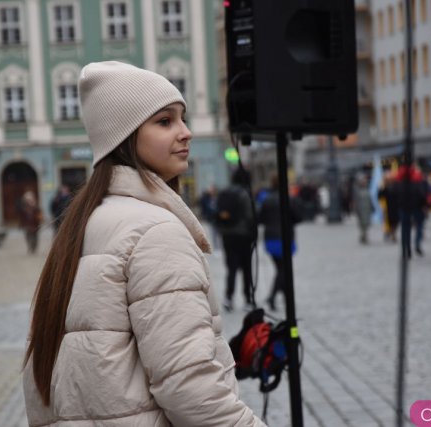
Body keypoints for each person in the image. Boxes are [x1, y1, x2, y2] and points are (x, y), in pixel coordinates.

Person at [22, 61, 265, 426]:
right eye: (165, 121)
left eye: (183, 118)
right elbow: (190, 388)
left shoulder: (85, 224)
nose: (186, 133)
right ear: (125, 136)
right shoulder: (155, 232)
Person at [258, 172, 303, 311]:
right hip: (285, 237)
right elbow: (299, 217)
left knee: (280, 269)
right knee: (283, 270)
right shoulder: (290, 198)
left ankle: (285, 295)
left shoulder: (266, 199)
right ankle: (272, 296)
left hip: (271, 238)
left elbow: (260, 218)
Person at [216, 168, 256, 312]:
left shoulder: (225, 192)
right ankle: (248, 299)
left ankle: (229, 297)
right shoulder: (244, 193)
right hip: (243, 235)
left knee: (231, 268)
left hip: (227, 235)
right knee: (246, 268)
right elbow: (249, 215)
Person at [353, 172, 374, 244]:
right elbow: (356, 202)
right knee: (362, 224)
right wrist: (356, 210)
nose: (364, 183)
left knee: (367, 224)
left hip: (367, 210)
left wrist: (372, 208)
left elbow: (370, 200)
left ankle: (364, 235)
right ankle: (363, 235)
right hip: (361, 210)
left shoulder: (367, 190)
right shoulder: (358, 191)